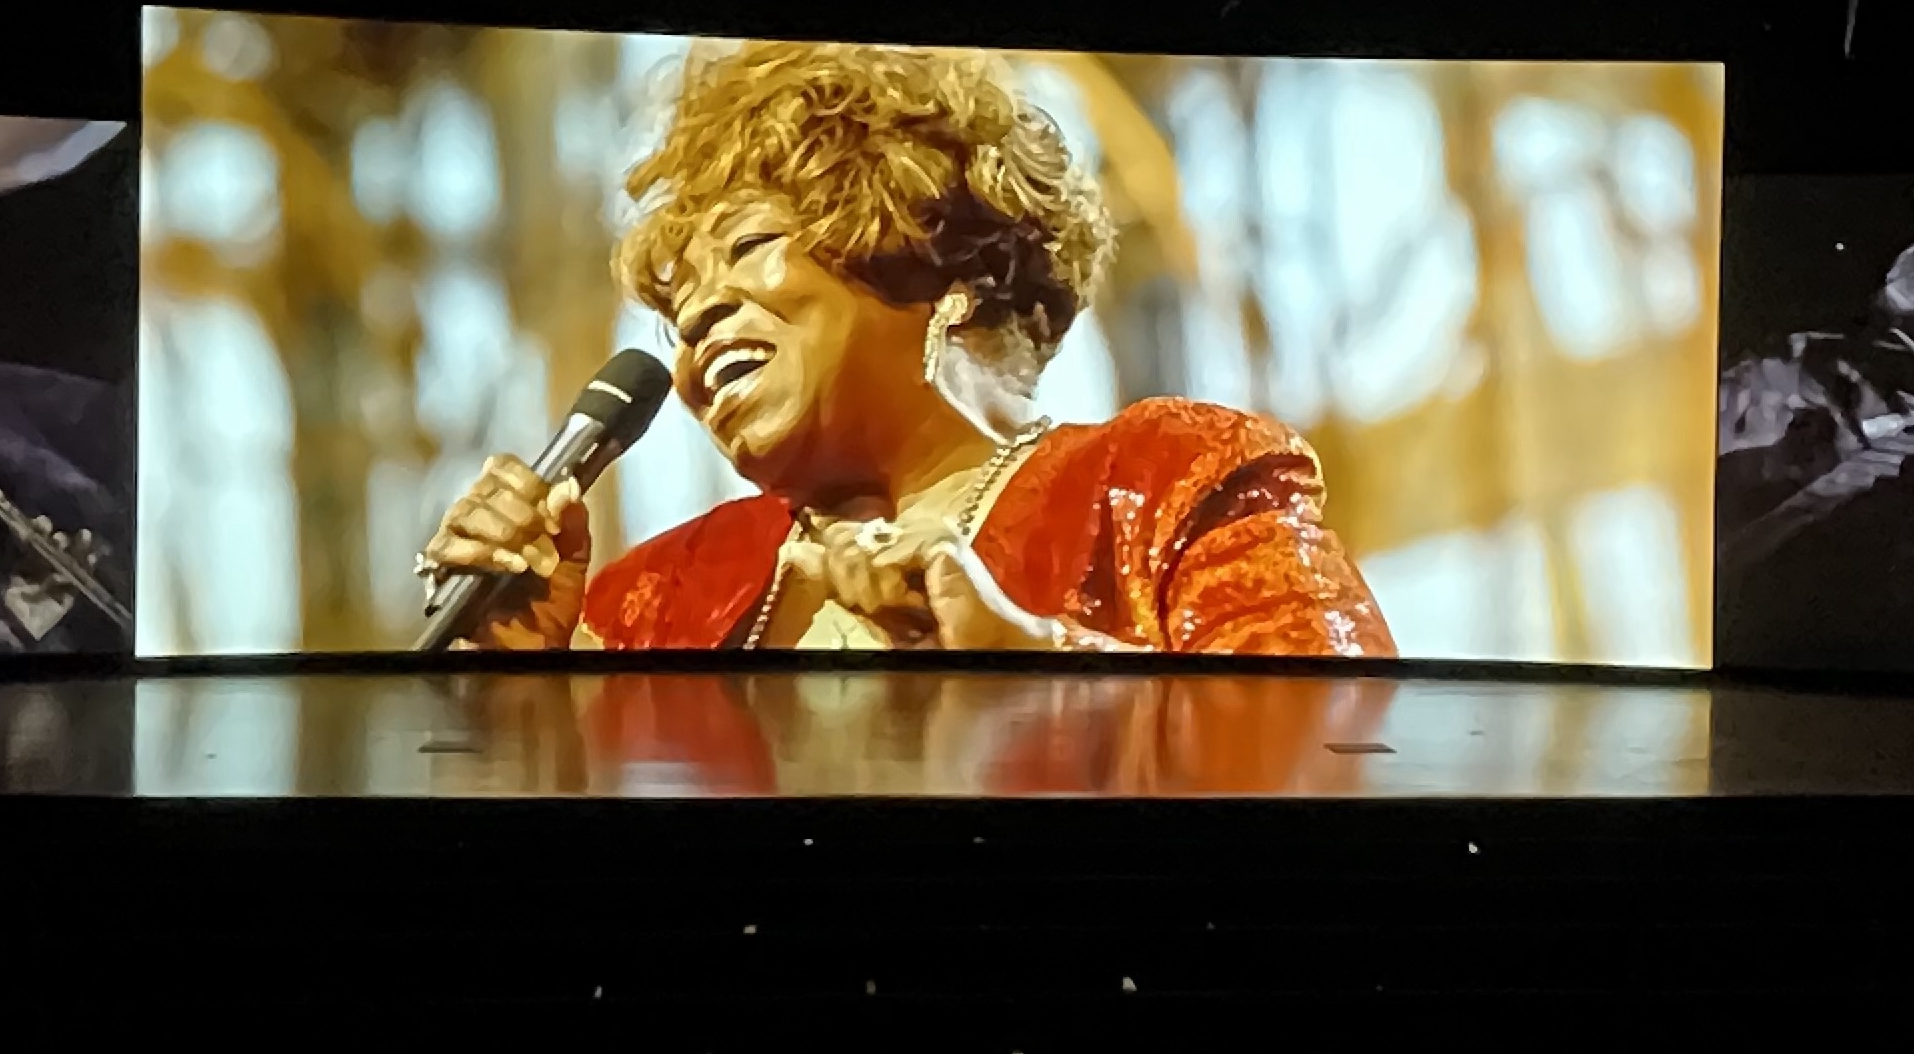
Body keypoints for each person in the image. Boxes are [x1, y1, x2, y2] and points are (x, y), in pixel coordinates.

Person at [418, 42, 1393, 656]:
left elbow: (1332, 754)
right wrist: (526, 689)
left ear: (935, 258)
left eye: (749, 247)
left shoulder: (1166, 482)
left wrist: (1032, 665)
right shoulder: (647, 599)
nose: (702, 314)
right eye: (677, 309)